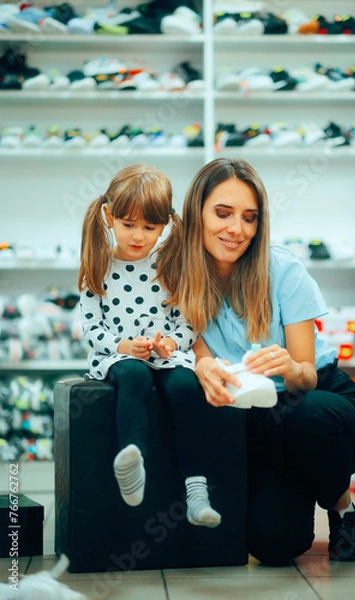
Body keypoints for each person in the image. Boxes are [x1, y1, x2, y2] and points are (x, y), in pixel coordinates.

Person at [166, 157, 355, 565]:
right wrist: (202, 365)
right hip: (261, 419)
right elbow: (189, 343)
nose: (237, 229)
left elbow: (306, 376)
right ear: (196, 213)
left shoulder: (282, 269)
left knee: (307, 415)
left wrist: (288, 366)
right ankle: (304, 480)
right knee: (274, 546)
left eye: (250, 218)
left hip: (323, 400)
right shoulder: (177, 276)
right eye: (223, 213)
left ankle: (343, 512)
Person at [77, 164, 221, 528]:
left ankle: (197, 492)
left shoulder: (171, 264)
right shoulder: (98, 264)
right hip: (119, 357)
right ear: (109, 217)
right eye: (129, 224)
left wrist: (171, 342)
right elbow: (92, 328)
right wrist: (124, 346)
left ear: (166, 223)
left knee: (187, 388)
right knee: (134, 379)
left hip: (167, 358)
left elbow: (188, 321)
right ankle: (132, 461)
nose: (139, 236)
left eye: (150, 227)